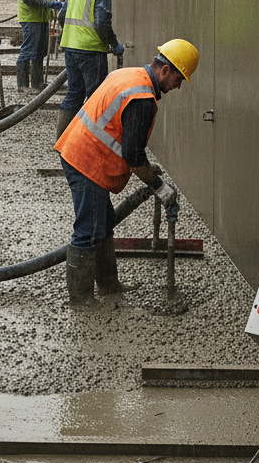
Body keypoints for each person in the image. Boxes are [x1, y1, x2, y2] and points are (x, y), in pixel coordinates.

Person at [54, 39, 199, 305]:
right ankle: (81, 298)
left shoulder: (129, 75)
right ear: (165, 70)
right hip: (86, 161)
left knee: (104, 223)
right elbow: (133, 156)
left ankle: (109, 285)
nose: (178, 86)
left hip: (80, 150)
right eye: (179, 79)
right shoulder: (142, 98)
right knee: (89, 230)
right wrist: (158, 186)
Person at [54, 0, 124, 141]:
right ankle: (91, 141)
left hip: (70, 48)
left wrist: (73, 35)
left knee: (74, 93)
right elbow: (102, 24)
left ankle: (62, 139)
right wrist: (114, 43)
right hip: (91, 51)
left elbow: (61, 17)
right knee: (96, 97)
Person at [15, 0, 63, 94]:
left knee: (40, 51)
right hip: (31, 18)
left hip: (40, 17)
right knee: (29, 51)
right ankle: (23, 85)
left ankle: (37, 83)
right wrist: (50, 4)